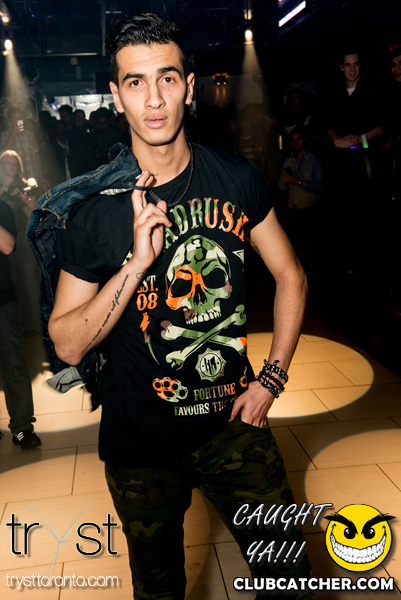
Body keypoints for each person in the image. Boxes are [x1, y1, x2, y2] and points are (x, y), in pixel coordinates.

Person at [48, 13, 311, 600]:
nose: (154, 99)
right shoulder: (94, 212)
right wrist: (136, 263)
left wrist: (271, 380)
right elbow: (66, 342)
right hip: (140, 447)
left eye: (167, 78)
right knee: (159, 591)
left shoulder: (236, 178)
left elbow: (290, 275)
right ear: (116, 95)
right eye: (135, 82)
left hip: (235, 427)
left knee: (289, 579)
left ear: (189, 88)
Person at [0, 198, 41, 450]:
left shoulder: (1, 207)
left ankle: (22, 428)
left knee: (13, 363)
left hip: (2, 300)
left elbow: (7, 246)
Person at [0, 150, 41, 331]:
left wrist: (23, 203)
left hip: (22, 236)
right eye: (7, 162)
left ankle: (36, 324)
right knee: (10, 281)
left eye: (15, 162)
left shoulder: (26, 186)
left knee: (27, 279)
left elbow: (35, 217)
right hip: (3, 241)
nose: (11, 165)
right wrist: (4, 189)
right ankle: (19, 324)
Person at [325, 51, 383, 148]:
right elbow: (327, 125)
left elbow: (382, 126)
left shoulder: (373, 91)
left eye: (356, 64)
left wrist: (358, 140)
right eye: (348, 65)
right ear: (342, 67)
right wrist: (338, 140)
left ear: (360, 65)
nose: (352, 69)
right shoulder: (334, 93)